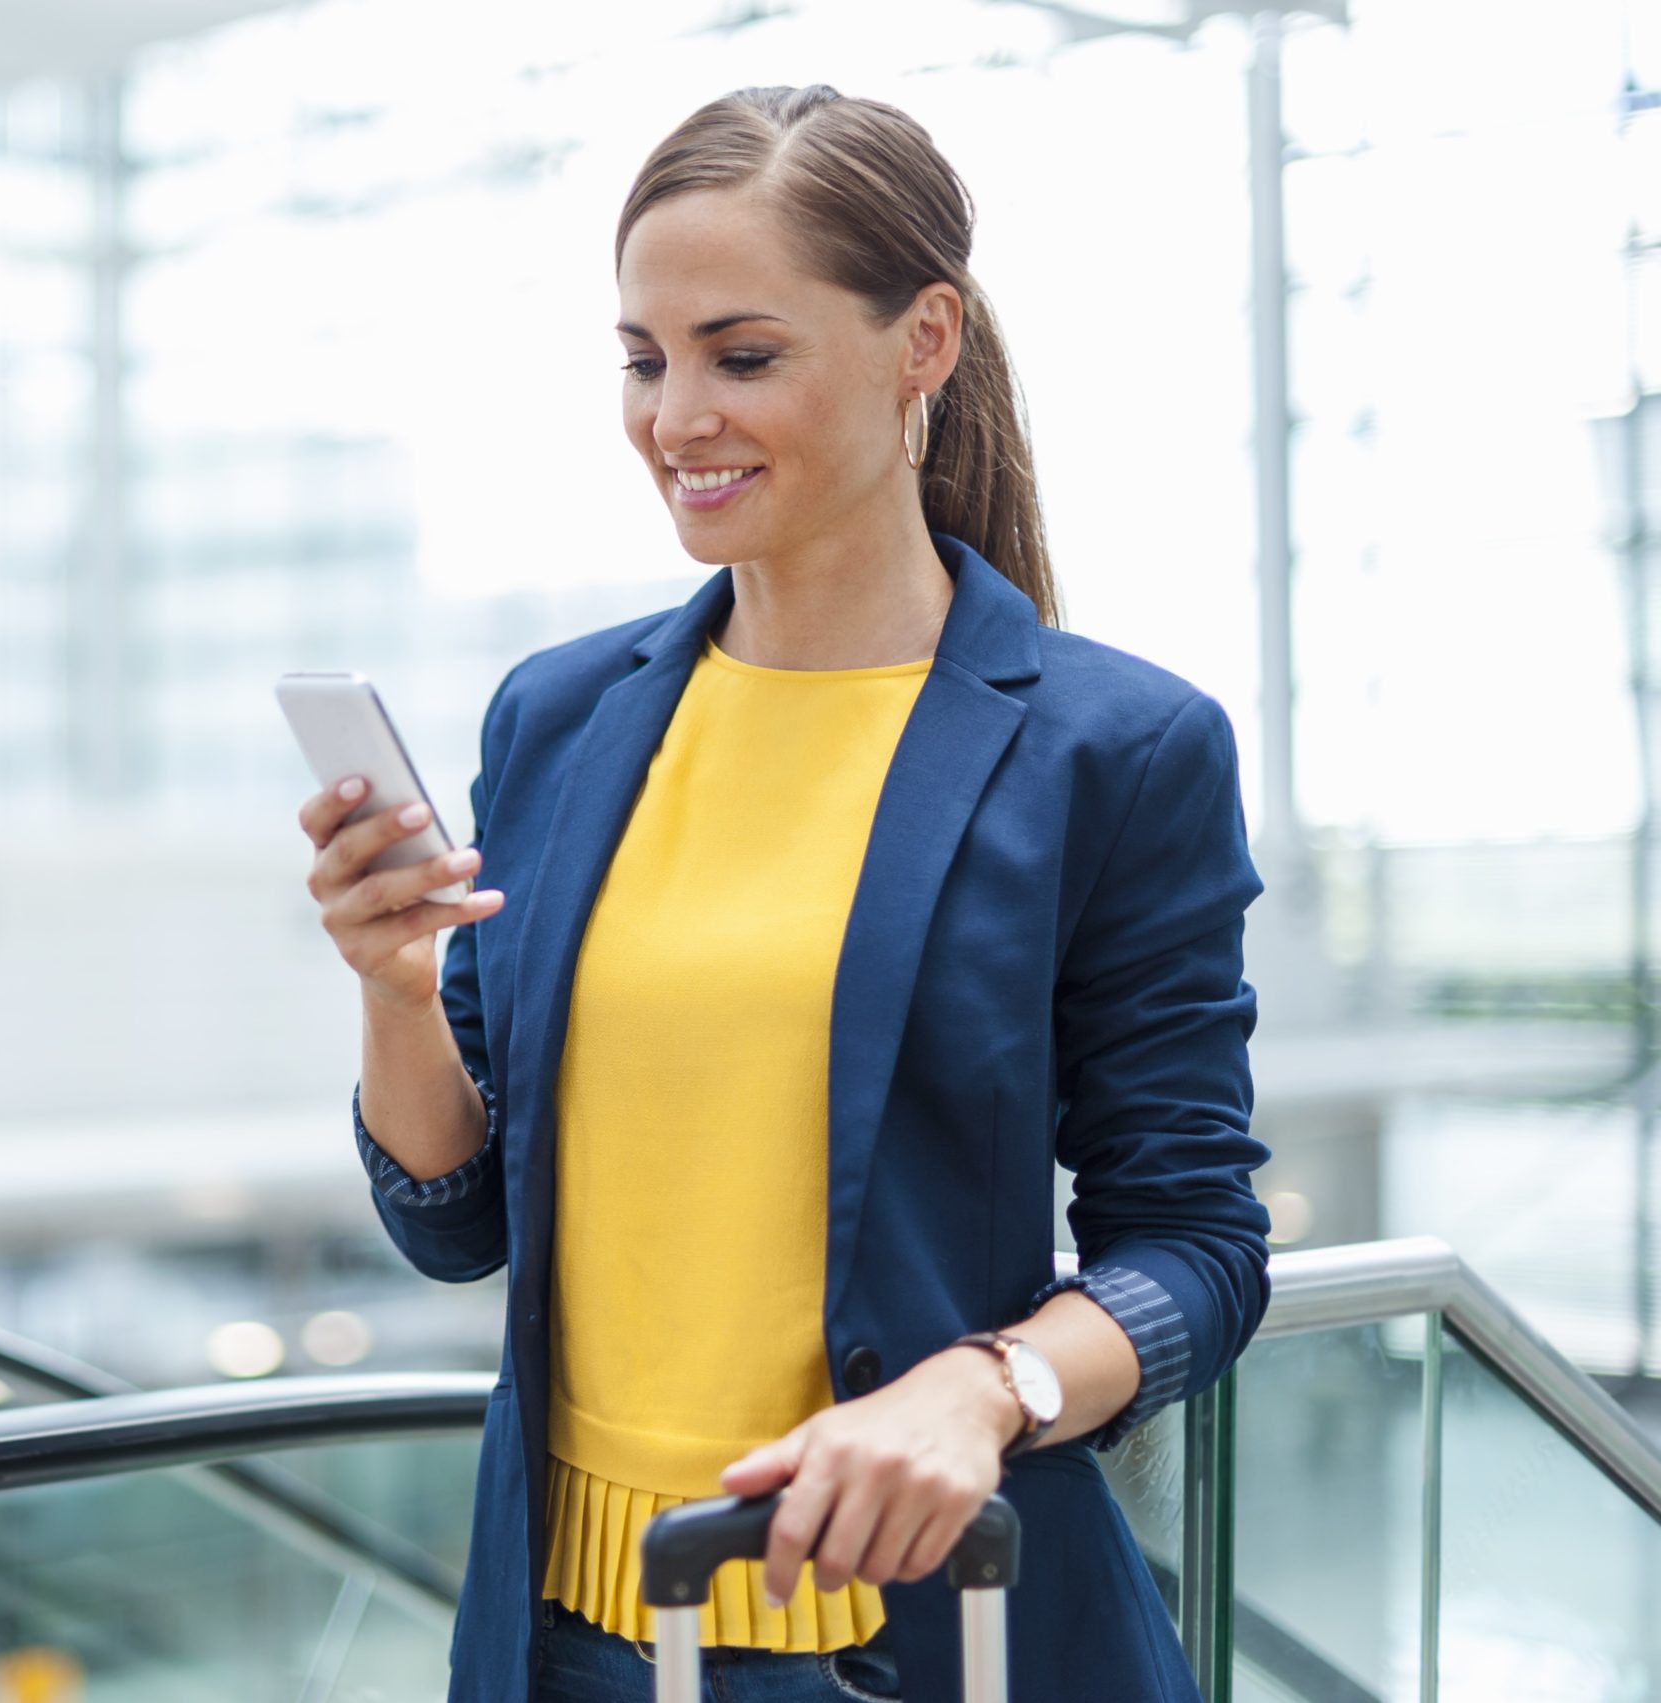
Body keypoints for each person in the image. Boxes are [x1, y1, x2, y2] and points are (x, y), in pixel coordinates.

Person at [295, 84, 1270, 1703]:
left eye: (742, 357)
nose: (677, 416)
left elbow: (1197, 1248)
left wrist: (986, 1386)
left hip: (925, 1636)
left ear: (924, 346)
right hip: (565, 1638)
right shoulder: (556, 719)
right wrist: (396, 993)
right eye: (643, 357)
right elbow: (454, 1223)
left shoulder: (1119, 750)